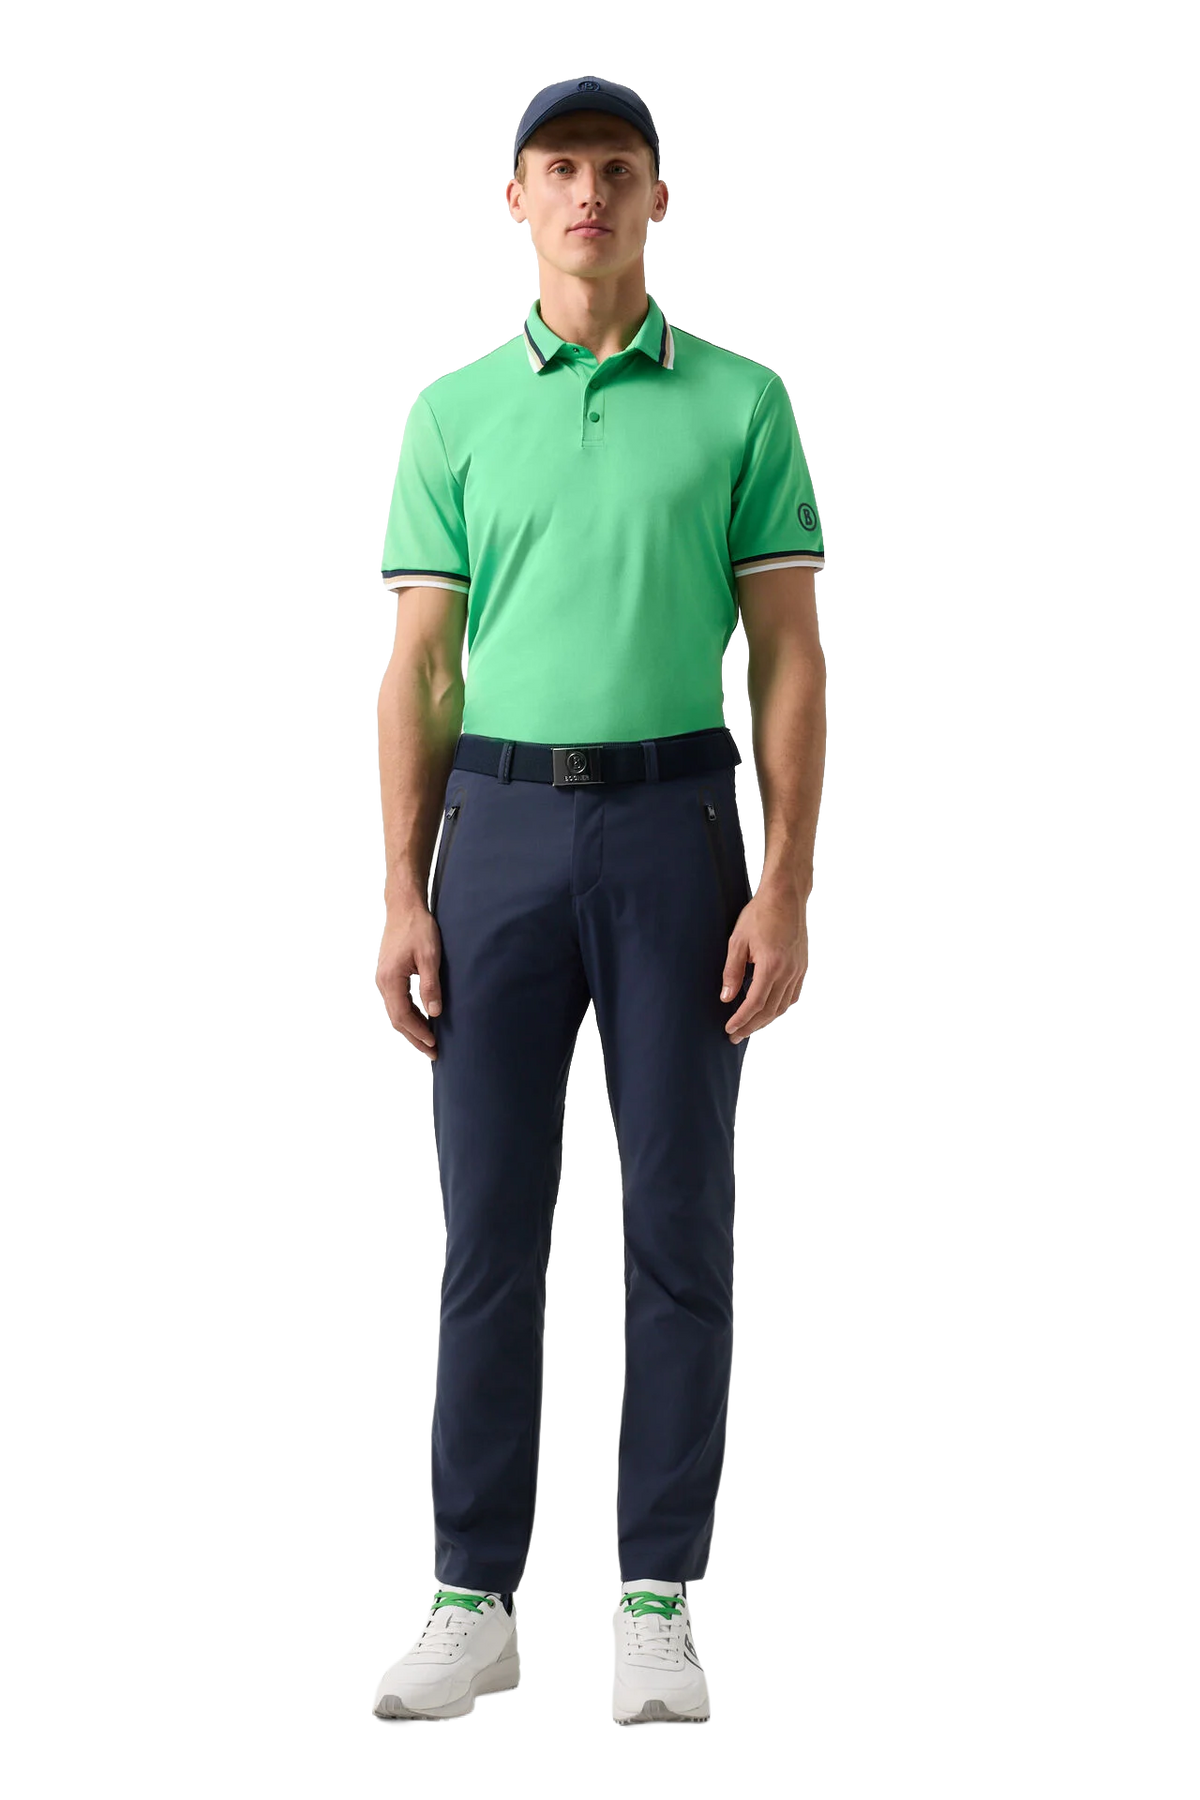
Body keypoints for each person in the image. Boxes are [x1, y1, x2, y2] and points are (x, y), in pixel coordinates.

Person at [368, 74, 828, 1731]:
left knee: (680, 1222)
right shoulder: (450, 412)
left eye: (615, 170)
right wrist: (399, 891)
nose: (586, 195)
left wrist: (784, 882)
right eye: (557, 169)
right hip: (492, 828)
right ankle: (472, 1597)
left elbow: (789, 657)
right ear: (514, 199)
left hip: (675, 824)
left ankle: (654, 1596)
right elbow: (421, 668)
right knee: (487, 1228)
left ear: (658, 198)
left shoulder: (744, 400)